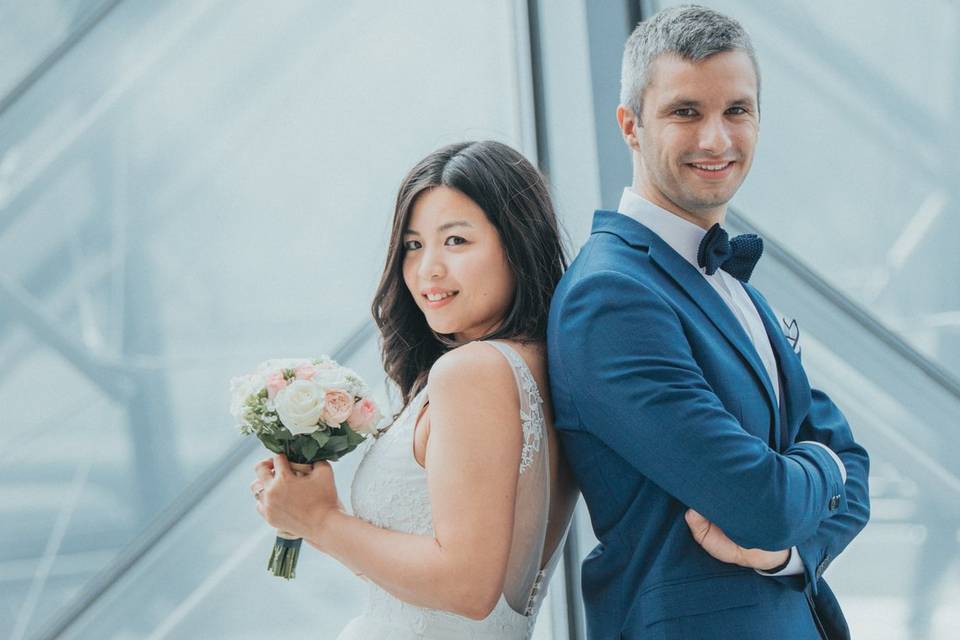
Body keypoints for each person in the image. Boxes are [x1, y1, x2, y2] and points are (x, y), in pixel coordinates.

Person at [547, 5, 870, 639]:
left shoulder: (730, 282)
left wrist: (783, 555)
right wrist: (819, 473)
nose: (716, 139)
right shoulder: (610, 296)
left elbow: (852, 466)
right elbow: (765, 501)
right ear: (630, 125)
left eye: (737, 111)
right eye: (685, 112)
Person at [251, 140, 578, 639]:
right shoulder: (545, 366)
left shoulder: (473, 372)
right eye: (413, 245)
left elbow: (467, 586)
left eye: (456, 241)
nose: (428, 270)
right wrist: (315, 513)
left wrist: (318, 520)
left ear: (518, 243)